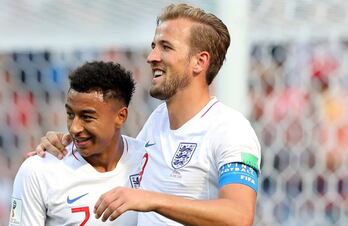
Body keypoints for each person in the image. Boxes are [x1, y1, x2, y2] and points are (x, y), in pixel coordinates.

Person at [33, 3, 261, 226]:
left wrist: (151, 199)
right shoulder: (157, 121)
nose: (152, 56)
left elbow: (239, 215)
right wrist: (71, 139)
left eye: (166, 47)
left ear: (199, 62)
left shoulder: (230, 129)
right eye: (154, 45)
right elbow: (117, 162)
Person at [9, 61, 148, 226]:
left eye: (87, 117)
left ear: (121, 117)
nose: (74, 128)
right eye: (70, 114)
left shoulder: (148, 161)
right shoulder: (38, 171)